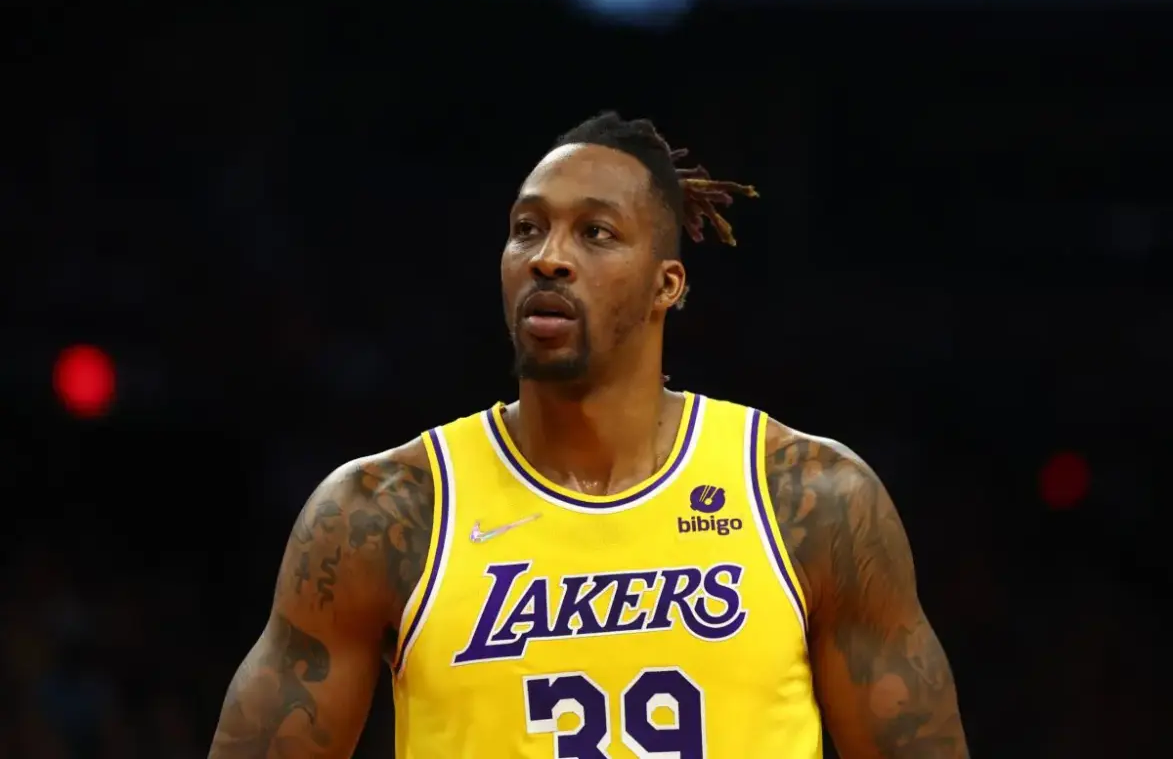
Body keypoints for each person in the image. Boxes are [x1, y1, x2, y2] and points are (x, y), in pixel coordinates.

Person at [207, 111, 969, 758]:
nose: (548, 258)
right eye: (526, 229)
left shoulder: (809, 499)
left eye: (595, 233)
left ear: (666, 285)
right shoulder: (382, 514)